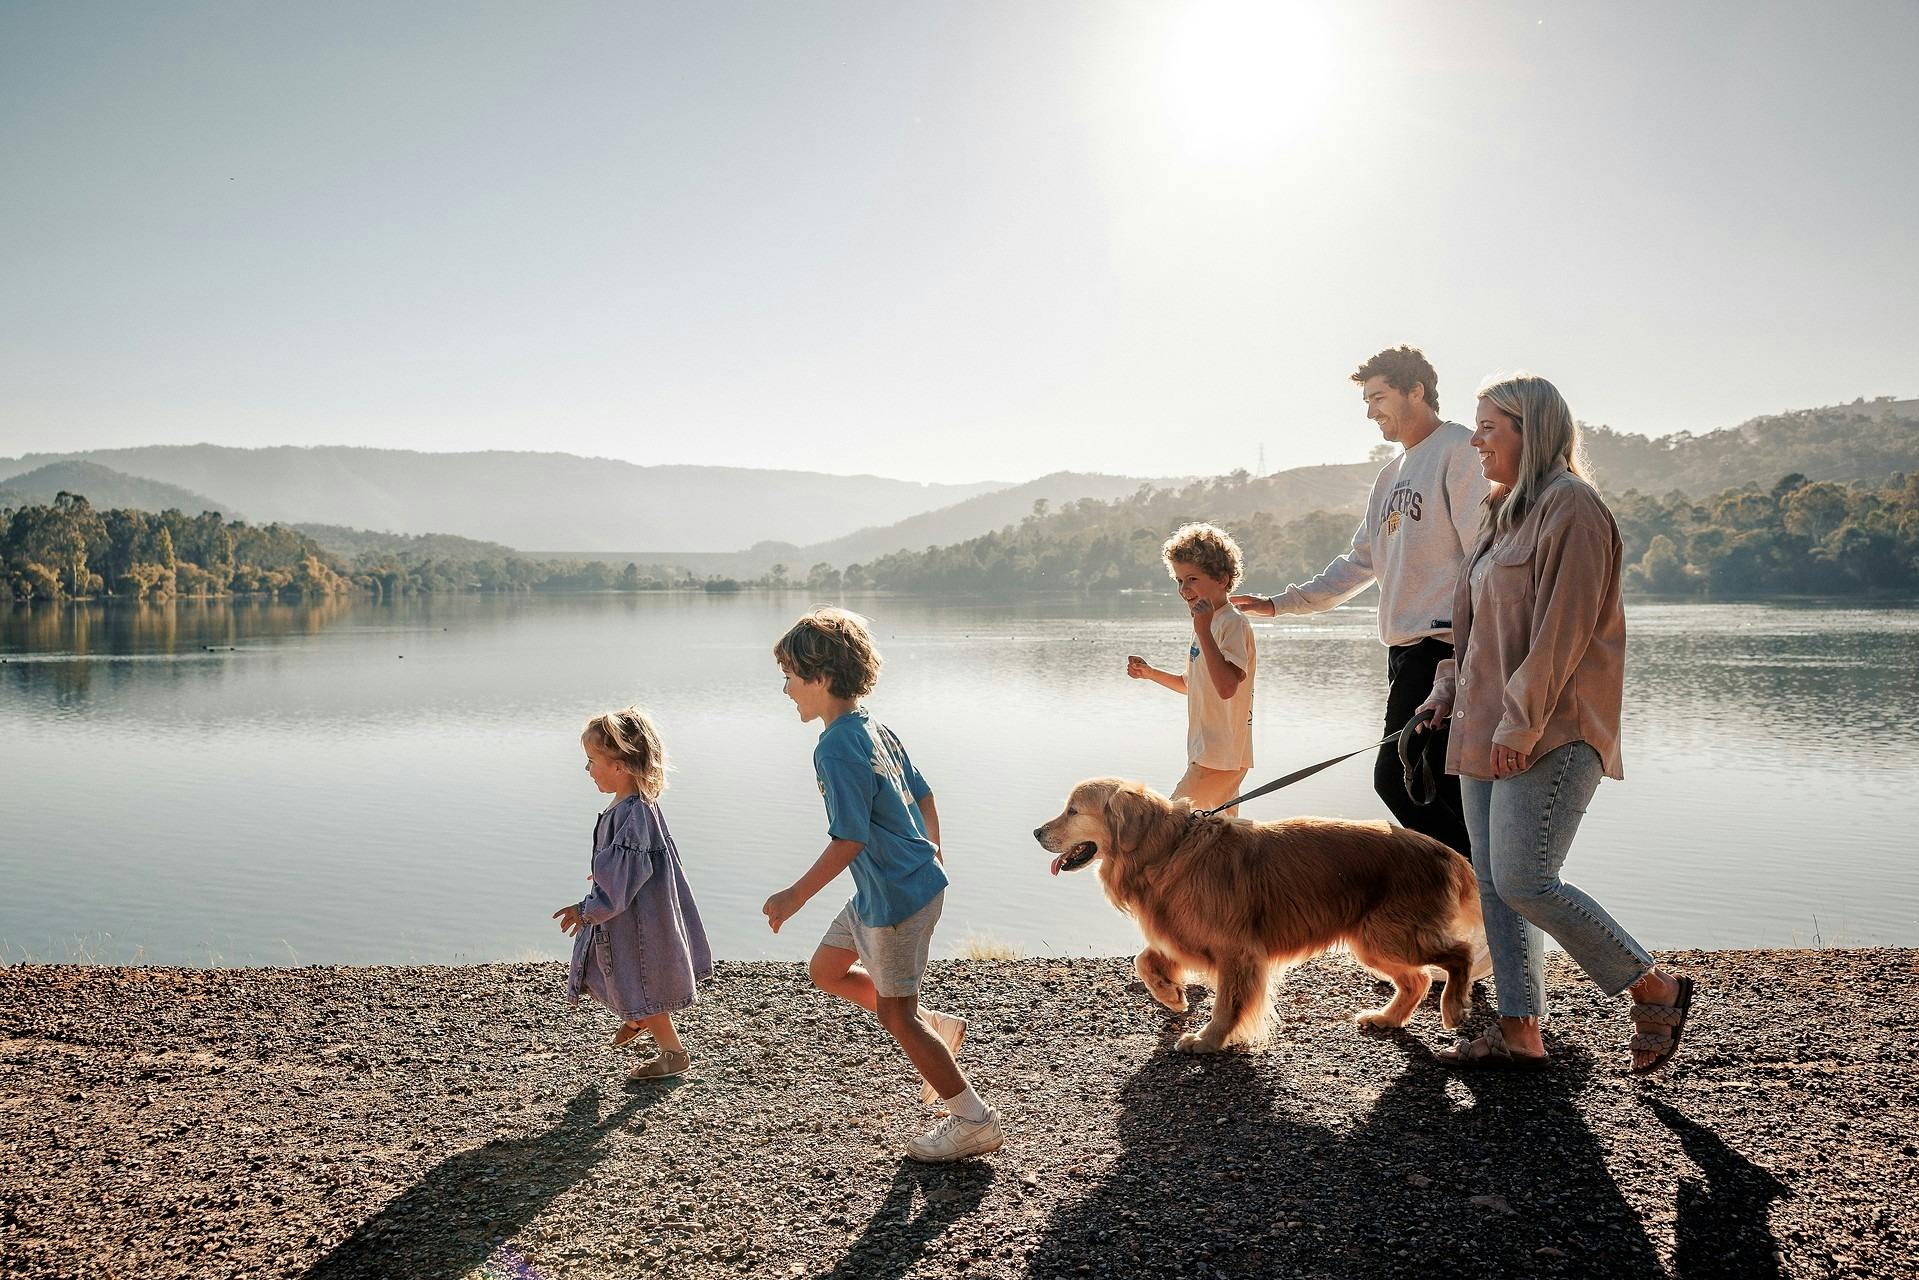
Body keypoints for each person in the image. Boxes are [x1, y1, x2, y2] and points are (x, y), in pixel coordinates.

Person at [1414, 373, 1693, 1072]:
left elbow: (1561, 633)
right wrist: (1446, 684)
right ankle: (1518, 1031)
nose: (1474, 441)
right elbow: (1478, 629)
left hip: (1552, 728)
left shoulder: (1573, 509)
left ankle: (1654, 984)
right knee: (1493, 881)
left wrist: (1518, 722)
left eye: (1487, 428)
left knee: (1527, 879)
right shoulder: (1499, 510)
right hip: (1485, 724)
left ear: (1528, 430)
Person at [762, 608, 1003, 1162]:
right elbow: (924, 796)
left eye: (792, 677)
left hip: (893, 898)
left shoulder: (836, 747)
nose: (786, 688)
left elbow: (847, 838)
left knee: (897, 1014)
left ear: (821, 680)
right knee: (825, 971)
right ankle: (935, 1027)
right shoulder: (872, 726)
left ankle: (972, 1119)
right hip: (887, 889)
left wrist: (793, 895)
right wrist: (933, 852)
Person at [1232, 345, 1488, 855]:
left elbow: (1484, 557)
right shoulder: (1390, 475)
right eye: (1367, 400)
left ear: (1417, 391)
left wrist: (1468, 654)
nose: (1371, 410)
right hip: (1404, 652)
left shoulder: (1460, 452)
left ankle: (1489, 890)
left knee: (1397, 779)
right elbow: (1360, 561)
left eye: (1379, 397)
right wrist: (1283, 603)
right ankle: (1489, 910)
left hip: (1444, 649)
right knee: (1443, 789)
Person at [553, 707, 714, 1082]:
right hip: (636, 913)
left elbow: (621, 885)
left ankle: (673, 1053)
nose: (589, 769)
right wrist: (607, 873)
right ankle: (636, 1015)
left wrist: (585, 908)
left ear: (621, 765)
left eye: (593, 761)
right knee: (611, 972)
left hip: (636, 920)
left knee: (640, 979)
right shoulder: (634, 808)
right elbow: (631, 865)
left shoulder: (632, 814)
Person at [1126, 523, 1257, 815]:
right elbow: (1193, 684)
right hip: (1206, 753)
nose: (1184, 589)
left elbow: (1226, 687)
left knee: (1168, 826)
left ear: (1222, 579)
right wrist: (1150, 673)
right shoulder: (1207, 624)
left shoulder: (1231, 623)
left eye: (1192, 578)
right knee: (1220, 840)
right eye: (1179, 580)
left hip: (1220, 758)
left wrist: (1204, 630)